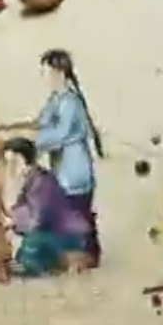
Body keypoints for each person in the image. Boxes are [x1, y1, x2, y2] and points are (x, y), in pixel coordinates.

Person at [34, 48, 105, 265]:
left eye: (47, 72)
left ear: (59, 73)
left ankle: (88, 255)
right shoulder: (56, 99)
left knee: (76, 211)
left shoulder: (70, 102)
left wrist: (34, 142)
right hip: (62, 166)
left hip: (74, 167)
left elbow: (60, 134)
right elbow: (41, 123)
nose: (45, 78)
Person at [1, 137, 95, 277]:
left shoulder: (41, 182)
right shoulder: (31, 180)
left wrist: (14, 222)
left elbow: (39, 220)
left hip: (70, 235)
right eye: (7, 163)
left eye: (13, 162)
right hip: (57, 231)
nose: (10, 168)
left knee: (30, 248)